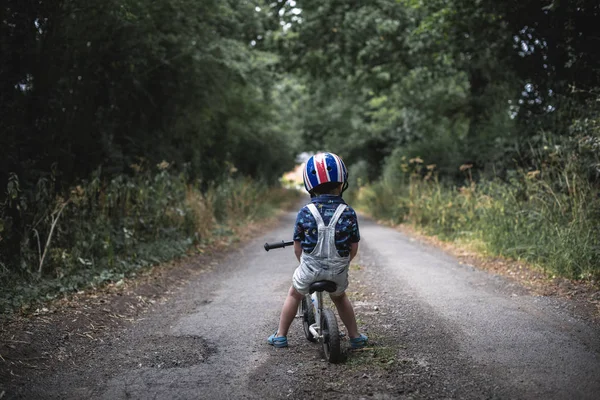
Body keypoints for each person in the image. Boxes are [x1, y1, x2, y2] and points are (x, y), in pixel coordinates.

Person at [267, 152, 368, 349]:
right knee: (340, 297)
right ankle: (355, 336)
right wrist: (344, 263)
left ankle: (280, 336)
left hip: (310, 269)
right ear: (342, 184)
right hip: (338, 271)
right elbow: (353, 247)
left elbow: (298, 247)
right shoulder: (348, 212)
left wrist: (303, 263)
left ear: (309, 186)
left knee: (294, 294)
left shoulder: (305, 213)